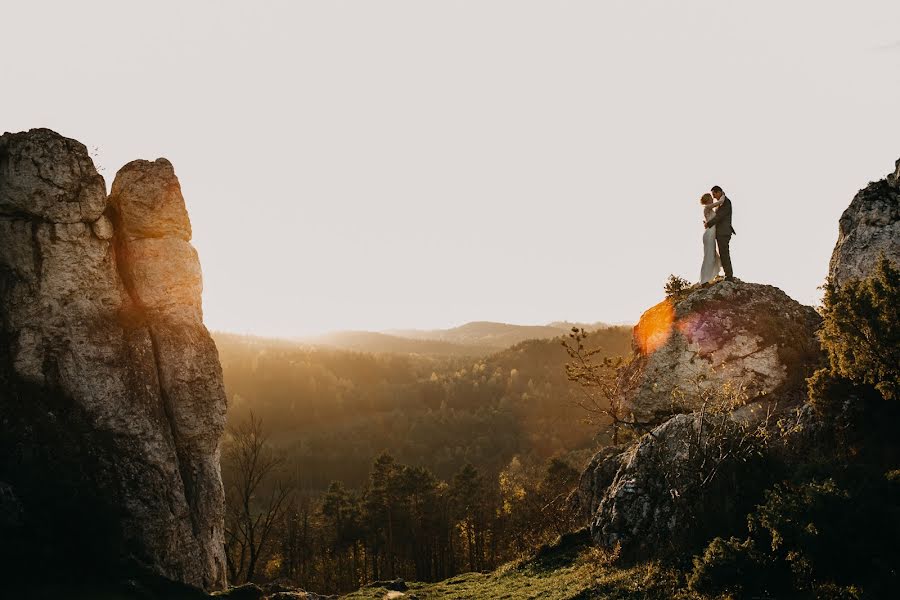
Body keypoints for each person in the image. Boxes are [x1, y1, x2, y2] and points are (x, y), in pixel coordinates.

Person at [704, 185, 736, 281]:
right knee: (722, 253)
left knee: (724, 253)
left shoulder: (726, 202)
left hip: (724, 232)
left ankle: (729, 276)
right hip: (720, 232)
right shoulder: (720, 202)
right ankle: (727, 274)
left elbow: (720, 216)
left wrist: (708, 224)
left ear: (719, 192)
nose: (713, 197)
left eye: (714, 194)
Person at [699, 193, 723, 283]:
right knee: (709, 257)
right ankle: (704, 281)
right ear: (708, 199)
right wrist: (722, 196)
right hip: (709, 235)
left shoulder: (709, 209)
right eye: (711, 197)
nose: (712, 198)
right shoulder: (707, 207)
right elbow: (720, 202)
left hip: (710, 235)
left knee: (713, 256)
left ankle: (708, 278)